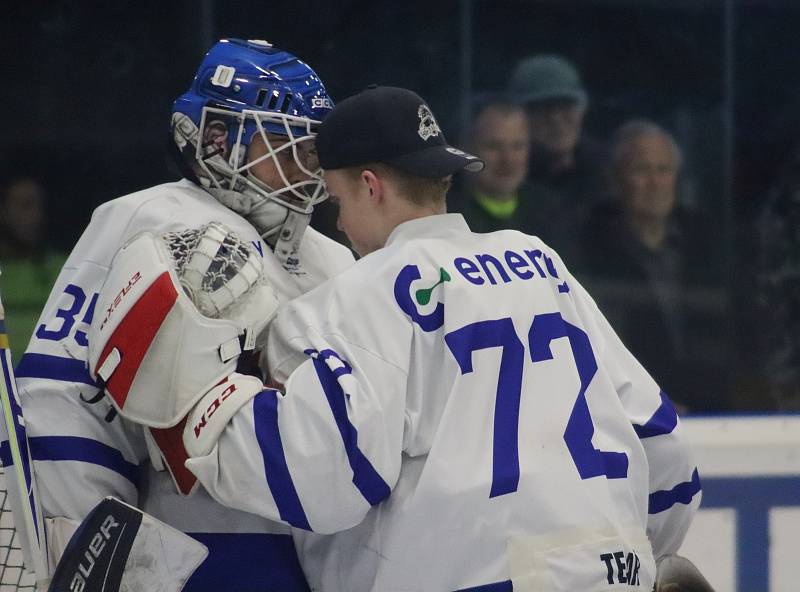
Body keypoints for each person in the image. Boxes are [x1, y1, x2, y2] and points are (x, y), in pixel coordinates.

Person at [122, 86, 701, 591]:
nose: (339, 225)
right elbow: (665, 448)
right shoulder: (538, 261)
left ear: (370, 186)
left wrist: (205, 401)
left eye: (338, 201)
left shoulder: (353, 297)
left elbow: (323, 481)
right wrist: (633, 558)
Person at [15, 39, 354, 591]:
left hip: (311, 558)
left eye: (311, 152)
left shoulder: (332, 259)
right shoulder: (151, 220)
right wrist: (79, 549)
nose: (304, 168)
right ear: (216, 140)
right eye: (283, 145)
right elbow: (66, 402)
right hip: (189, 554)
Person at [574, 119, 729, 412]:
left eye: (663, 170)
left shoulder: (708, 242)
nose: (655, 182)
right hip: (632, 415)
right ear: (616, 178)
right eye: (641, 170)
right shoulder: (586, 248)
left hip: (713, 413)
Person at [448, 96, 577, 256]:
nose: (508, 159)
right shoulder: (444, 217)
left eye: (518, 147)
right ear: (466, 149)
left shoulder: (554, 215)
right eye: (494, 147)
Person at [507, 54, 606, 213]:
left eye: (567, 106)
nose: (556, 119)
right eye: (542, 109)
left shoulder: (608, 174)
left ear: (582, 109)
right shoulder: (504, 175)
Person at [0, 176, 67, 365]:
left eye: (39, 206)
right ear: (3, 211)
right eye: (24, 206)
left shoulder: (66, 267)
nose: (35, 216)